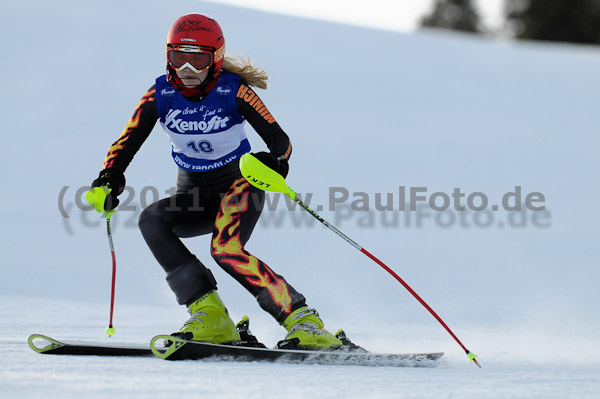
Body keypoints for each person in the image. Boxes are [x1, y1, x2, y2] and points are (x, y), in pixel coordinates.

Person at [86, 13, 342, 349]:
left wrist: (274, 162)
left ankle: (304, 321)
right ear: (168, 57)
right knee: (151, 219)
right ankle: (211, 315)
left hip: (239, 185)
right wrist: (108, 179)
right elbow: (126, 142)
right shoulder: (160, 94)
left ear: (216, 60)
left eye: (198, 61)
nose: (187, 71)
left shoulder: (232, 90)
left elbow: (280, 140)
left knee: (225, 249)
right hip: (194, 194)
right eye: (179, 58)